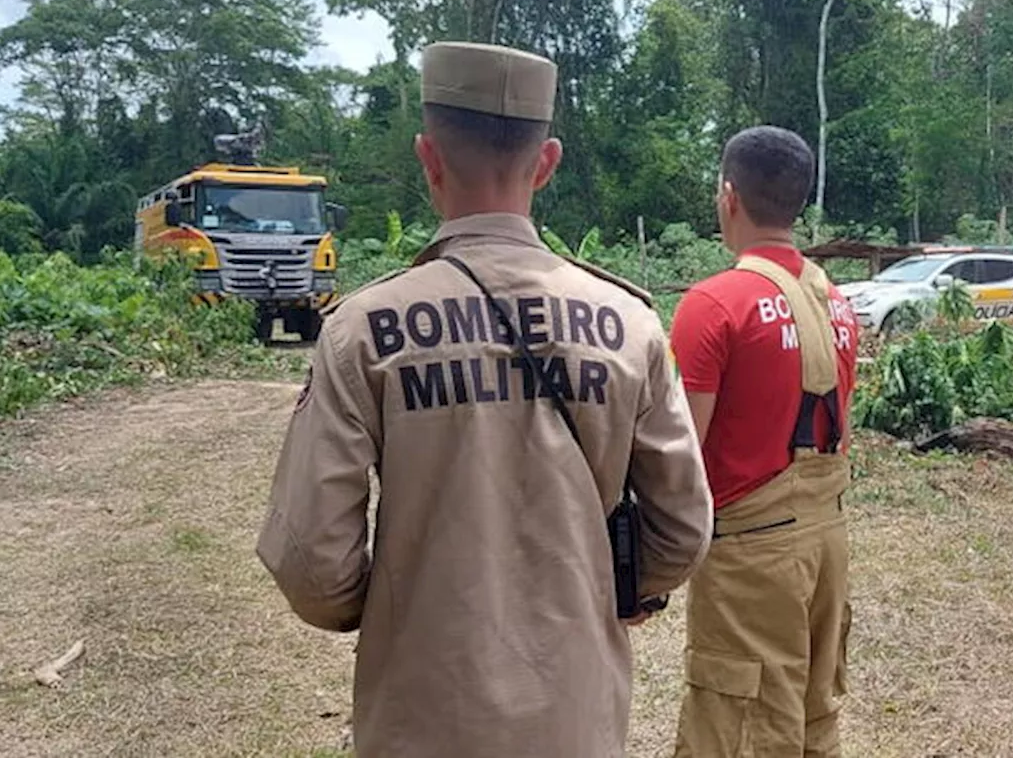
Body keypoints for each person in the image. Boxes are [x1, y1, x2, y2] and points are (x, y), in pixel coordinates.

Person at [256, 41, 714, 758]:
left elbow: (314, 562)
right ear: (547, 162)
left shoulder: (362, 330)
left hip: (420, 717)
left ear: (428, 158)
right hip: (577, 716)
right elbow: (683, 527)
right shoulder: (630, 323)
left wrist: (394, 607)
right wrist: (613, 585)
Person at [669, 126, 859, 757]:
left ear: (729, 196)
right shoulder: (834, 300)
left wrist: (647, 566)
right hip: (826, 540)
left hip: (751, 559)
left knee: (738, 729)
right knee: (811, 721)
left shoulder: (715, 303)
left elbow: (681, 456)